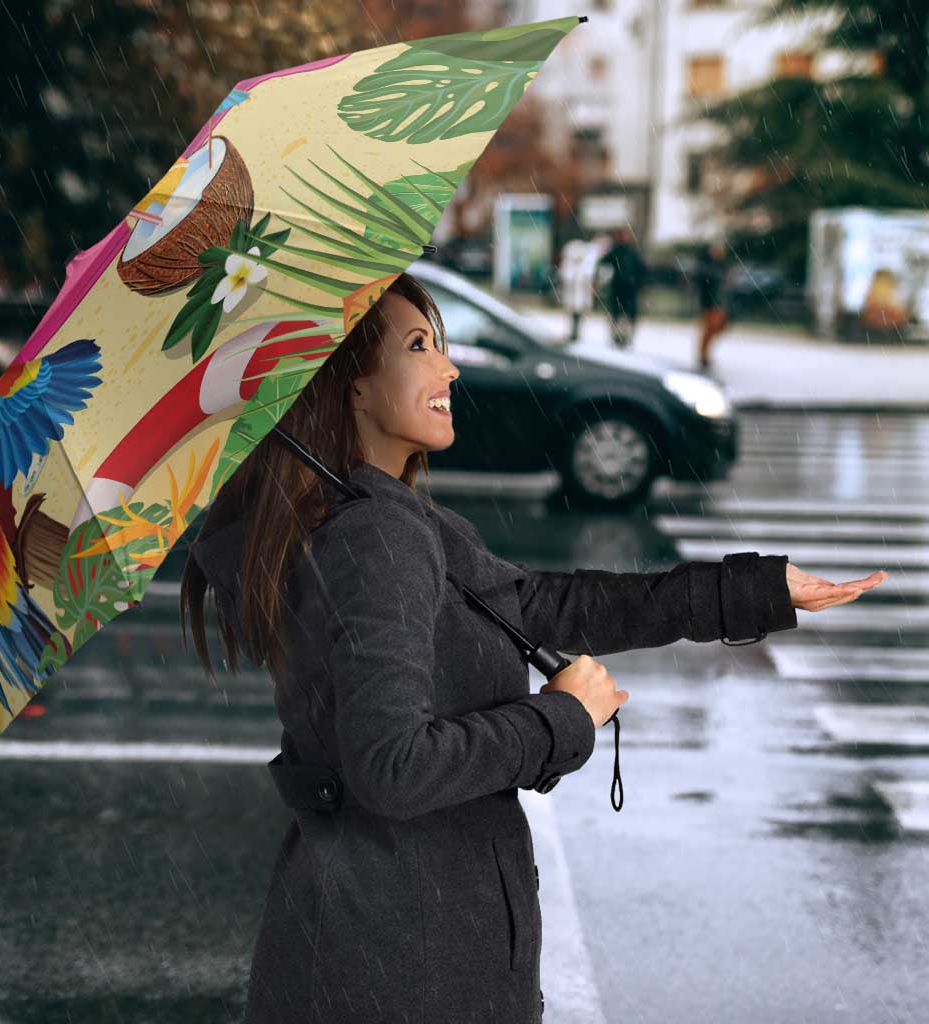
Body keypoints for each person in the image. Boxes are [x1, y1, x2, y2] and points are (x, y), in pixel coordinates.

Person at [181, 271, 887, 1024]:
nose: (449, 368)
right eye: (419, 346)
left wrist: (754, 590)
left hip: (383, 943)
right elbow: (392, 767)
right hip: (401, 962)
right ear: (351, 386)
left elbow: (547, 605)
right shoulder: (375, 536)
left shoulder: (384, 519)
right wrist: (560, 719)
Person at [597, 226, 647, 349]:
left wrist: (640, 284)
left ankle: (624, 337)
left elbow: (641, 270)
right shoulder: (617, 251)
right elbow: (603, 264)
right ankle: (618, 337)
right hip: (620, 288)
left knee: (625, 315)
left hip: (628, 288)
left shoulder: (630, 252)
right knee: (618, 314)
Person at [695, 240, 731, 370]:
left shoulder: (721, 266)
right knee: (709, 329)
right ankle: (703, 355)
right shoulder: (707, 267)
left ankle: (704, 354)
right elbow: (704, 286)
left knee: (717, 328)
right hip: (710, 303)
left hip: (719, 303)